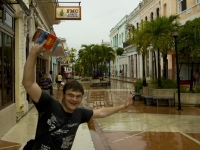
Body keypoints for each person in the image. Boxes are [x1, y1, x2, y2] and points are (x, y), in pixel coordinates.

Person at [22, 41, 133, 150]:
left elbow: (101, 112)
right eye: (71, 95)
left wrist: (123, 106)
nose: (74, 99)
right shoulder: (49, 105)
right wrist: (33, 53)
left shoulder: (79, 114)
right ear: (63, 94)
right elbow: (29, 83)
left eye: (78, 96)